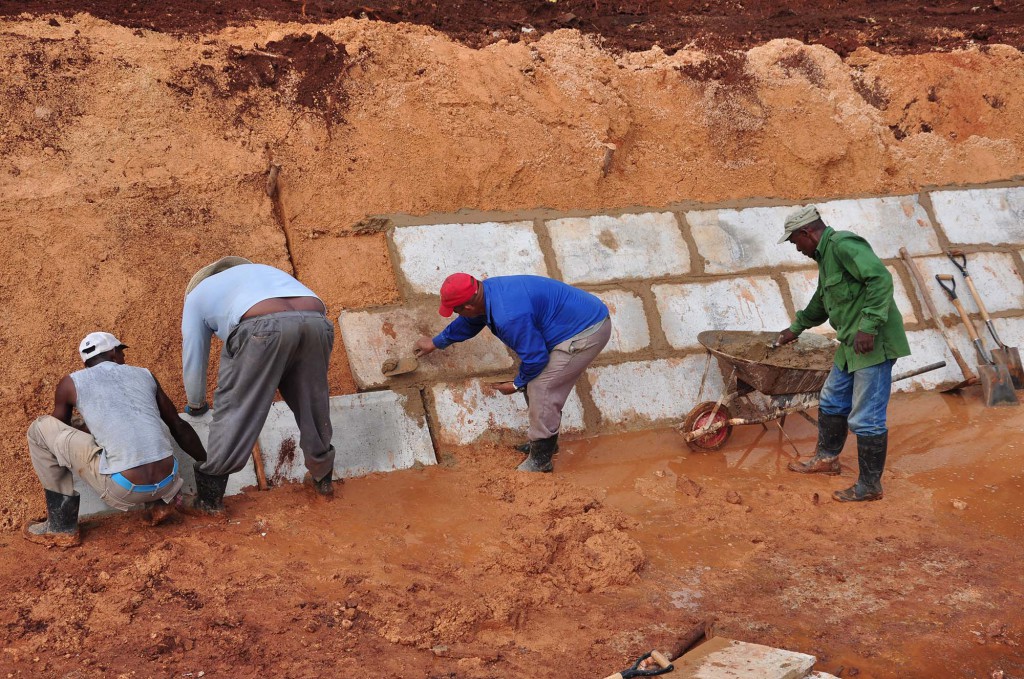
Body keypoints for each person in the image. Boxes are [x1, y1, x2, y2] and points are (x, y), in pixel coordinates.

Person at [775, 205, 910, 502]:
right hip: (851, 345)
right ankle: (827, 459)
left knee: (867, 417)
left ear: (807, 232)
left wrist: (869, 326)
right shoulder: (826, 259)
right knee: (832, 401)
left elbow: (880, 279)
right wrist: (794, 329)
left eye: (795, 241)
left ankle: (870, 486)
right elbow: (821, 302)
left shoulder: (844, 245)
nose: (796, 248)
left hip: (872, 344)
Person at [181, 257, 336, 513]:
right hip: (316, 321)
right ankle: (323, 479)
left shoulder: (197, 296)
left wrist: (196, 403)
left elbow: (194, 354)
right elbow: (293, 320)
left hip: (261, 325)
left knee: (236, 408)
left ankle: (209, 499)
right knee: (313, 401)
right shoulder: (264, 272)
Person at [24, 332, 207, 547]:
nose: (123, 358)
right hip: (169, 482)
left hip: (122, 489)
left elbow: (57, 430)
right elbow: (179, 426)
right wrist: (208, 465)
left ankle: (61, 525)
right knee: (144, 428)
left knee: (39, 428)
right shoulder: (144, 374)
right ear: (112, 352)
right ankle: (159, 503)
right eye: (121, 351)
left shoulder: (71, 383)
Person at [414, 273, 611, 472]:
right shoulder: (486, 293)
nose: (457, 314)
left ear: (468, 307)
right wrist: (435, 342)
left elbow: (536, 358)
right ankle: (545, 444)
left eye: (456, 310)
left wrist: (516, 384)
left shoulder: (508, 316)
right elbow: (469, 323)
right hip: (573, 321)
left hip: (586, 331)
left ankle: (541, 460)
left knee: (541, 386)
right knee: (532, 378)